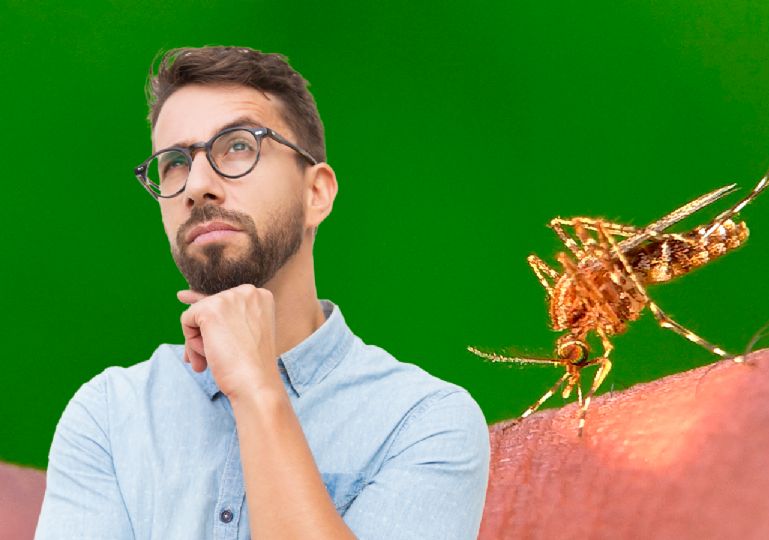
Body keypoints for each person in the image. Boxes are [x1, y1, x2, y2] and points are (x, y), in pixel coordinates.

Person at [34, 46, 490, 539]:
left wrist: (256, 389)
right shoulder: (108, 416)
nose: (197, 185)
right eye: (174, 163)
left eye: (237, 145)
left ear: (316, 193)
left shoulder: (424, 422)